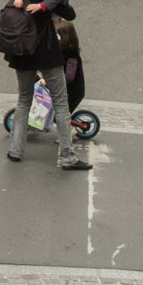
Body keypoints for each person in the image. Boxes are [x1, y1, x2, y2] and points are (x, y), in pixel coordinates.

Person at [5, 0, 84, 170]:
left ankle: (15, 151)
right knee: (60, 101)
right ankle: (67, 157)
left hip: (21, 53)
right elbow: (70, 14)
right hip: (46, 52)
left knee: (23, 100)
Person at [52, 17, 93, 171]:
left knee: (59, 114)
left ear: (65, 38)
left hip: (73, 90)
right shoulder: (63, 51)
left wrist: (52, 79)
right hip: (66, 90)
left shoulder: (72, 55)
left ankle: (71, 131)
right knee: (58, 112)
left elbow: (69, 76)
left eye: (57, 36)